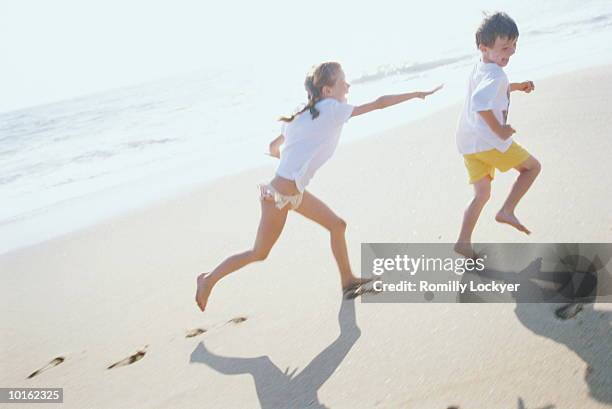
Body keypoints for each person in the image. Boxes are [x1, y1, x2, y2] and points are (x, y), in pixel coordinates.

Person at [196, 61, 442, 311]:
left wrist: (291, 166)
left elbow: (273, 146)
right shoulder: (333, 109)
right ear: (327, 90)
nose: (348, 85)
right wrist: (415, 94)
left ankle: (347, 281)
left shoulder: (303, 113)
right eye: (342, 81)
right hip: (279, 195)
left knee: (337, 225)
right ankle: (208, 279)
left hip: (291, 192)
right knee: (259, 253)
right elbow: (378, 103)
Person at [454, 12, 542, 259]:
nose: (511, 51)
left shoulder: (481, 66)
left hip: (468, 142)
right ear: (484, 47)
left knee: (481, 195)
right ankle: (507, 210)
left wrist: (516, 86)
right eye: (505, 47)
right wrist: (500, 130)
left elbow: (489, 90)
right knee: (532, 168)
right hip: (488, 141)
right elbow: (481, 102)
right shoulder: (496, 74)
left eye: (514, 45)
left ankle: (463, 242)